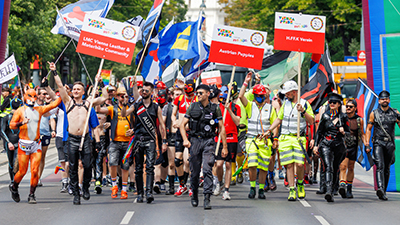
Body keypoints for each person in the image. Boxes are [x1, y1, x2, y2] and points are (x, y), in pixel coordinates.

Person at [49, 62, 107, 205]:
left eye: (78, 89)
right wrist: (54, 72)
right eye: (74, 89)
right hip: (72, 139)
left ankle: (86, 187)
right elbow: (61, 87)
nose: (75, 91)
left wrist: (101, 82)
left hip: (86, 139)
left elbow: (104, 97)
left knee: (87, 165)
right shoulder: (68, 103)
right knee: (73, 167)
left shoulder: (88, 104)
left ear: (83, 92)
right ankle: (76, 193)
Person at [8, 88, 61, 204]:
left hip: (36, 144)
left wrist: (63, 92)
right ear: (25, 97)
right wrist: (21, 123)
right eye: (30, 96)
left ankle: (32, 194)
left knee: (35, 170)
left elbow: (55, 104)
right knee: (22, 171)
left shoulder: (40, 109)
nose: (32, 99)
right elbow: (11, 126)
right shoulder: (20, 111)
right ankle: (14, 187)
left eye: (34, 96)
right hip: (23, 144)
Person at [180, 84, 228, 210]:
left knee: (207, 169)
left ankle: (207, 197)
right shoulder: (193, 106)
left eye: (201, 93)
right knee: (195, 172)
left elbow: (221, 128)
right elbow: (182, 124)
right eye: (197, 93)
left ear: (208, 93)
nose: (198, 95)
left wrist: (225, 147)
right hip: (195, 141)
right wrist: (185, 140)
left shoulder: (215, 108)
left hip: (209, 141)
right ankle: (194, 193)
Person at [268, 80, 314, 201]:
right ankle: (292, 189)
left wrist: (303, 111)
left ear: (294, 92)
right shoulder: (285, 105)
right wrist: (269, 130)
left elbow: (311, 121)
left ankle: (300, 184)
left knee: (299, 164)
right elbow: (279, 119)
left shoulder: (304, 103)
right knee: (289, 165)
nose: (286, 95)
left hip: (298, 138)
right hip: (285, 138)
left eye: (288, 93)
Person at [121, 81, 167, 204]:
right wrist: (125, 104)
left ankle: (149, 192)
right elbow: (124, 114)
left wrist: (164, 141)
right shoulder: (137, 106)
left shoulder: (156, 107)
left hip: (151, 139)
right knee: (138, 168)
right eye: (142, 91)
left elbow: (162, 125)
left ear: (151, 92)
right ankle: (140, 193)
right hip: (138, 140)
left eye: (146, 90)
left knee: (150, 167)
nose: (144, 92)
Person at [239, 73, 278, 199]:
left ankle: (261, 189)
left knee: (263, 167)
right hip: (251, 139)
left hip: (265, 141)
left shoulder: (270, 108)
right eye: (257, 96)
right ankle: (252, 188)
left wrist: (275, 137)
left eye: (261, 96)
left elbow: (275, 124)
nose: (259, 98)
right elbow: (240, 96)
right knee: (252, 164)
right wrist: (246, 82)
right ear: (254, 96)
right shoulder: (250, 105)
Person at [96, 87, 133, 199]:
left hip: (127, 142)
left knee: (125, 166)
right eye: (121, 95)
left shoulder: (131, 108)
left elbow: (136, 123)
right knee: (112, 163)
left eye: (125, 95)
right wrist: (99, 96)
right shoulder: (113, 109)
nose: (123, 97)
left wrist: (133, 130)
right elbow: (98, 109)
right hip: (115, 141)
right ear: (117, 97)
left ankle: (124, 190)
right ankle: (114, 186)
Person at [312, 93, 349, 202]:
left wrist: (344, 132)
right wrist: (315, 145)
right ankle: (328, 191)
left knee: (335, 166)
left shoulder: (343, 117)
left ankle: (334, 188)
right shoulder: (325, 116)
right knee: (328, 166)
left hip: (338, 145)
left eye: (335, 102)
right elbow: (319, 132)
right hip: (326, 144)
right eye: (330, 102)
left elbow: (349, 133)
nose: (332, 104)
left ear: (339, 104)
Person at [366, 90, 400, 201]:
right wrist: (367, 143)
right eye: (382, 99)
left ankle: (383, 191)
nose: (384, 100)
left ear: (389, 100)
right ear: (379, 101)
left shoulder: (395, 113)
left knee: (386, 168)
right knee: (379, 166)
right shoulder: (374, 113)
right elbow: (369, 129)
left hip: (390, 143)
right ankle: (380, 188)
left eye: (386, 98)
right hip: (378, 142)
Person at [213, 83, 241, 200]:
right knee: (219, 164)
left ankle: (227, 190)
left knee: (229, 164)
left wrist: (229, 110)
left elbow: (238, 122)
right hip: (219, 138)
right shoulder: (215, 107)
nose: (223, 100)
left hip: (232, 138)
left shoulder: (235, 108)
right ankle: (219, 183)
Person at [171, 79, 198, 197]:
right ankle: (182, 184)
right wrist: (174, 121)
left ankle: (192, 185)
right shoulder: (180, 99)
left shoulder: (197, 100)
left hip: (191, 132)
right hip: (179, 132)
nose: (188, 91)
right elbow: (173, 114)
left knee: (189, 160)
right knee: (177, 160)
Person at [339, 99, 367, 198]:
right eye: (347, 106)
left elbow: (362, 134)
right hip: (343, 146)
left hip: (353, 146)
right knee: (343, 166)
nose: (348, 108)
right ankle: (342, 185)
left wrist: (366, 145)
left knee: (351, 167)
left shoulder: (359, 120)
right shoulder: (341, 118)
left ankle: (349, 188)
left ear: (355, 108)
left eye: (350, 107)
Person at [162, 87, 183, 195]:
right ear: (172, 96)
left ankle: (182, 184)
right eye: (176, 94)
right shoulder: (167, 107)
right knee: (171, 164)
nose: (178, 96)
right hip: (171, 137)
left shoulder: (185, 106)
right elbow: (163, 124)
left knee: (183, 162)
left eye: (180, 94)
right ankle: (171, 187)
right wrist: (164, 139)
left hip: (183, 137)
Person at [36, 88, 57, 186]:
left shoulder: (48, 107)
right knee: (35, 157)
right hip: (34, 136)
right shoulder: (33, 106)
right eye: (43, 94)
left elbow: (52, 119)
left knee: (42, 157)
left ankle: (38, 178)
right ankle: (34, 176)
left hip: (45, 135)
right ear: (38, 95)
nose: (45, 96)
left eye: (46, 94)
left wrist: (53, 130)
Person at [0, 97, 21, 183]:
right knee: (11, 163)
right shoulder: (7, 117)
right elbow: (2, 131)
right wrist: (8, 142)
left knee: (16, 161)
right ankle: (12, 180)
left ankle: (15, 180)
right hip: (9, 142)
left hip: (19, 142)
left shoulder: (23, 118)